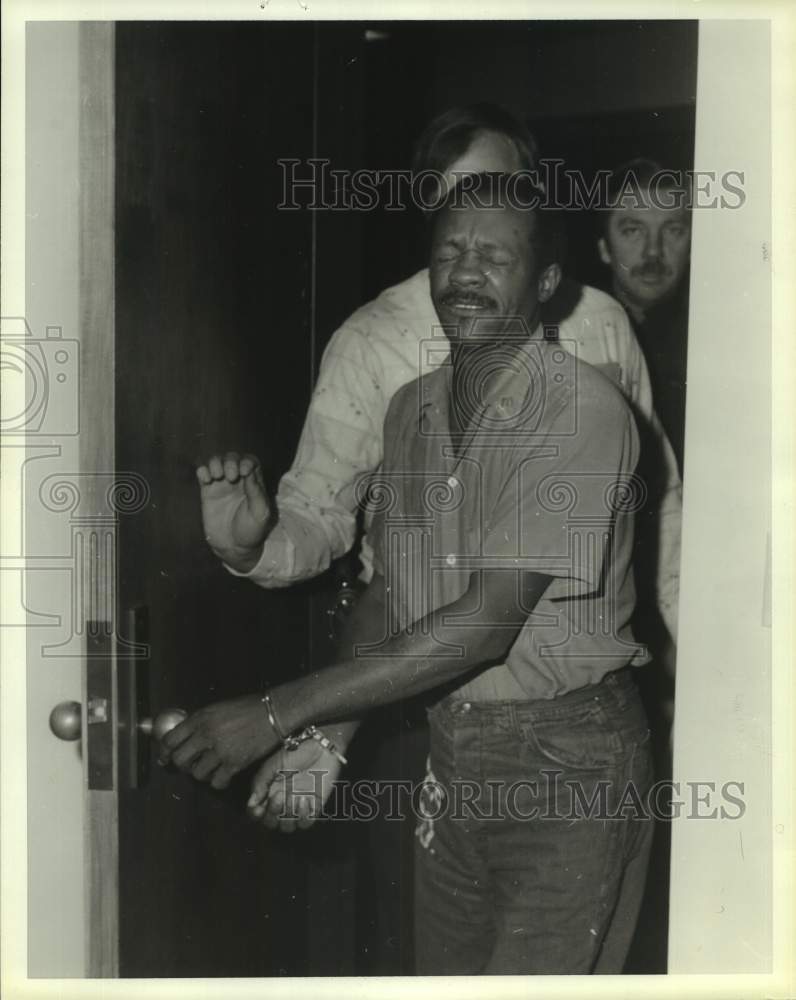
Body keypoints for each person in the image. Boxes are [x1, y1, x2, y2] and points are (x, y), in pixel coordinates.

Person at [161, 173, 655, 974]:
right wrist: (330, 737)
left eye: (495, 256)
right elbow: (395, 592)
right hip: (454, 752)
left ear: (548, 285)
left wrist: (277, 712)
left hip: (571, 770)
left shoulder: (579, 409)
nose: (465, 272)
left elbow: (489, 621)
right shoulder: (412, 410)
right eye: (450, 251)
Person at [201, 106, 681, 644]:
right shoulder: (373, 338)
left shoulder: (600, 322)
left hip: (571, 669)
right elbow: (319, 512)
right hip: (412, 658)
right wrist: (249, 550)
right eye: (452, 203)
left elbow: (662, 505)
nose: (476, 218)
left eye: (495, 191)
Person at [598, 159, 692, 474]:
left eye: (673, 230)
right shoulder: (573, 336)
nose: (653, 252)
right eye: (633, 230)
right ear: (604, 247)